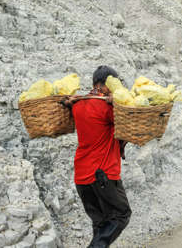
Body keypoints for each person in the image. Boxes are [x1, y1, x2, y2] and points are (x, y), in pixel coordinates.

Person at [70, 65, 131, 248]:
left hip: (81, 177)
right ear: (103, 85)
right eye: (113, 84)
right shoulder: (106, 107)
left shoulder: (78, 104)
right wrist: (117, 101)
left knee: (101, 223)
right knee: (121, 214)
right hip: (102, 174)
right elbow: (128, 122)